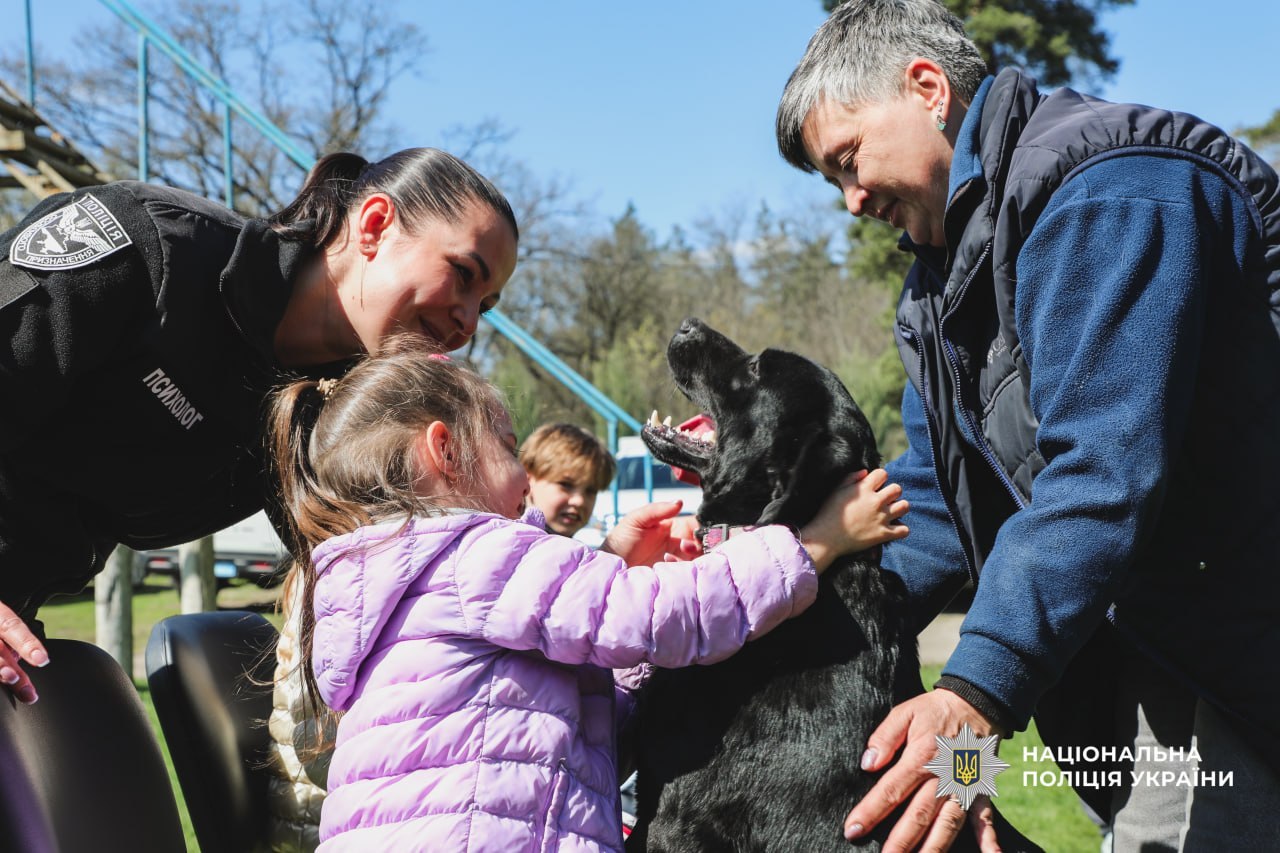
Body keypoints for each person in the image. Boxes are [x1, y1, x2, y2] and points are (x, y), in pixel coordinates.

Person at [775, 1, 1280, 850]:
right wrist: (775, 589)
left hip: (1227, 645)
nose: (852, 199)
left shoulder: (1107, 190)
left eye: (848, 160)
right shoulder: (936, 293)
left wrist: (974, 693)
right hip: (1131, 648)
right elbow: (943, 498)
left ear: (927, 88)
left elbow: (1100, 475)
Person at [267, 341, 910, 851]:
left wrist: (616, 592)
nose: (523, 473)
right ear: (445, 452)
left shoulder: (394, 582)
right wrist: (819, 543)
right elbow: (666, 616)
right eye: (507, 443)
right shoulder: (479, 556)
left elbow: (575, 724)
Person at [0, 146, 518, 712]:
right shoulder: (150, 250)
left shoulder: (333, 419)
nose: (468, 322)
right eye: (463, 275)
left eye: (485, 306)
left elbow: (395, 573)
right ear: (374, 225)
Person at [519, 421, 615, 537]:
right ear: (528, 482)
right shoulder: (510, 544)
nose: (579, 501)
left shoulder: (576, 551)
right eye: (566, 485)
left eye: (591, 491)